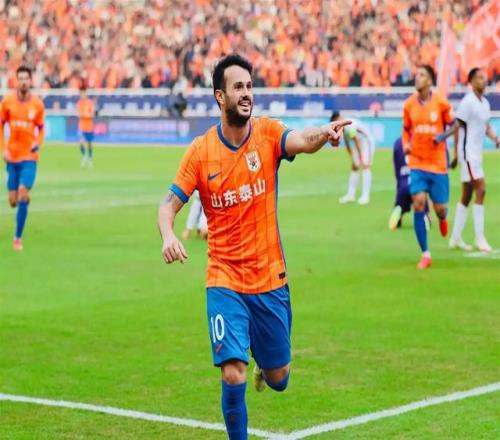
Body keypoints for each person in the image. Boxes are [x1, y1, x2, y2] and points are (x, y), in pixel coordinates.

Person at [158, 54, 350, 440]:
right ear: (220, 96)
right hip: (224, 278)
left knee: (279, 378)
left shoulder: (266, 133)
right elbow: (168, 204)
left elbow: (300, 140)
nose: (247, 94)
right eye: (238, 87)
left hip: (269, 277)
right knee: (232, 372)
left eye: (249, 86)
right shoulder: (200, 151)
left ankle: (267, 363)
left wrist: (323, 133)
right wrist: (168, 234)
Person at [402, 64, 456, 269]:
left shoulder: (441, 103)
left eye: (422, 75)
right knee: (418, 202)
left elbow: (455, 125)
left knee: (440, 208)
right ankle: (425, 253)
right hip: (417, 161)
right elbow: (405, 130)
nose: (417, 78)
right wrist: (406, 144)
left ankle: (442, 218)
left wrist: (441, 137)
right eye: (417, 75)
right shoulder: (409, 105)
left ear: (430, 81)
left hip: (437, 162)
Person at [443, 68, 499, 252]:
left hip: (476, 155)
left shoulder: (485, 103)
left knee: (466, 196)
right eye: (479, 78)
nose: (484, 81)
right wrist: (455, 154)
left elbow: (486, 126)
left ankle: (455, 238)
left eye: (484, 78)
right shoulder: (467, 102)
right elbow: (457, 126)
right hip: (468, 155)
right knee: (481, 190)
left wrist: (496, 139)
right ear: (472, 82)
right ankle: (480, 238)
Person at [0, 66, 45, 251]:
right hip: (12, 156)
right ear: (17, 81)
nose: (24, 81)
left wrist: (37, 143)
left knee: (22, 193)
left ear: (31, 81)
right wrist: (3, 149)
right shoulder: (7, 102)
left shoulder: (37, 104)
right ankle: (23, 197)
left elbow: (41, 128)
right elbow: (1, 124)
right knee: (13, 201)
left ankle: (17, 238)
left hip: (29, 156)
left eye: (26, 78)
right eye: (21, 78)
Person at [331, 111, 375, 205]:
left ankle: (366, 196)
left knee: (365, 165)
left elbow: (356, 139)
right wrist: (352, 156)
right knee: (354, 166)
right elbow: (347, 142)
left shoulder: (349, 125)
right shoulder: (342, 128)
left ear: (339, 118)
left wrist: (360, 155)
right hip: (358, 143)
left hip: (366, 141)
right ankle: (351, 195)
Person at [388, 136, 430, 230]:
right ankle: (425, 216)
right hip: (417, 184)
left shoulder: (398, 142)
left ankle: (399, 210)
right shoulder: (421, 140)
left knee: (401, 203)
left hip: (403, 183)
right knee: (421, 203)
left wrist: (399, 182)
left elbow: (395, 168)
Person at [77, 86, 96, 167]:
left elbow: (92, 114)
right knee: (81, 141)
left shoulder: (90, 102)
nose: (82, 95)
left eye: (83, 93)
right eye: (81, 94)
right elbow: (80, 114)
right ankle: (84, 156)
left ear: (86, 93)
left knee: (90, 143)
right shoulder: (79, 103)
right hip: (81, 126)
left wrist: (86, 114)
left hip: (89, 126)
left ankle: (90, 158)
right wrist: (86, 114)